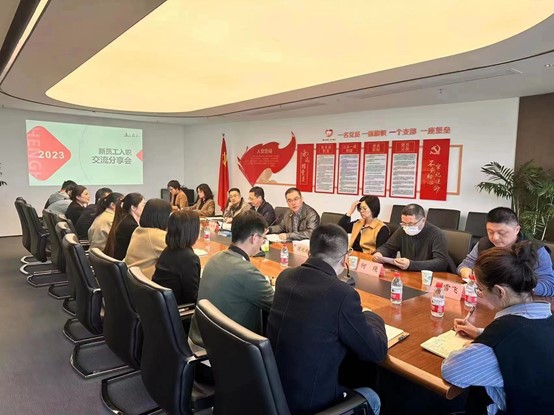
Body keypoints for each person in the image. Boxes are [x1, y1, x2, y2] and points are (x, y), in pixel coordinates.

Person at [267, 224, 387, 415]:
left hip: (275, 393)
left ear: (310, 251)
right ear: (345, 259)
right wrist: (373, 317)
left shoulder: (285, 277)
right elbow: (376, 351)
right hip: (311, 405)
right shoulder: (342, 294)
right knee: (372, 396)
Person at [442, 241, 554, 415]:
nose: (478, 294)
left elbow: (451, 370)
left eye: (479, 289)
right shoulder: (545, 315)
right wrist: (480, 332)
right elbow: (526, 341)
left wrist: (473, 345)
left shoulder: (500, 337)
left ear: (500, 291)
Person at [189, 210, 274, 346]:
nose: (263, 242)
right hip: (227, 349)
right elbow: (279, 305)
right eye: (263, 238)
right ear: (254, 238)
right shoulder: (247, 273)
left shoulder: (214, 259)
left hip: (200, 338)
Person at [458, 207, 554, 296]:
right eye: (490, 232)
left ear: (517, 230)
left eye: (502, 233)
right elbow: (466, 264)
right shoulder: (484, 243)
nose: (495, 238)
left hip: (522, 302)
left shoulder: (536, 250)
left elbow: (549, 285)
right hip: (489, 298)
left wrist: (518, 287)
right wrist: (465, 270)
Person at [373, 203, 452, 272]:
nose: (407, 227)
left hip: (429, 276)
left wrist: (411, 264)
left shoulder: (437, 234)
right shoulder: (402, 230)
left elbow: (441, 263)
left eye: (411, 224)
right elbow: (388, 247)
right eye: (404, 223)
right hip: (408, 274)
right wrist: (380, 253)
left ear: (423, 220)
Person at [153, 210, 201, 305]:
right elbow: (193, 298)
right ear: (192, 231)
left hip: (161, 306)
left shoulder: (168, 250)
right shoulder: (189, 258)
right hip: (179, 309)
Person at [124, 198, 171, 279]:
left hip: (133, 279)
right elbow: (179, 254)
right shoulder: (155, 235)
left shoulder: (139, 230)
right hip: (145, 282)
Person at [104, 192, 145, 260]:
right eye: (143, 205)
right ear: (133, 208)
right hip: (124, 262)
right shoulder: (130, 226)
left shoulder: (125, 220)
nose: (145, 208)